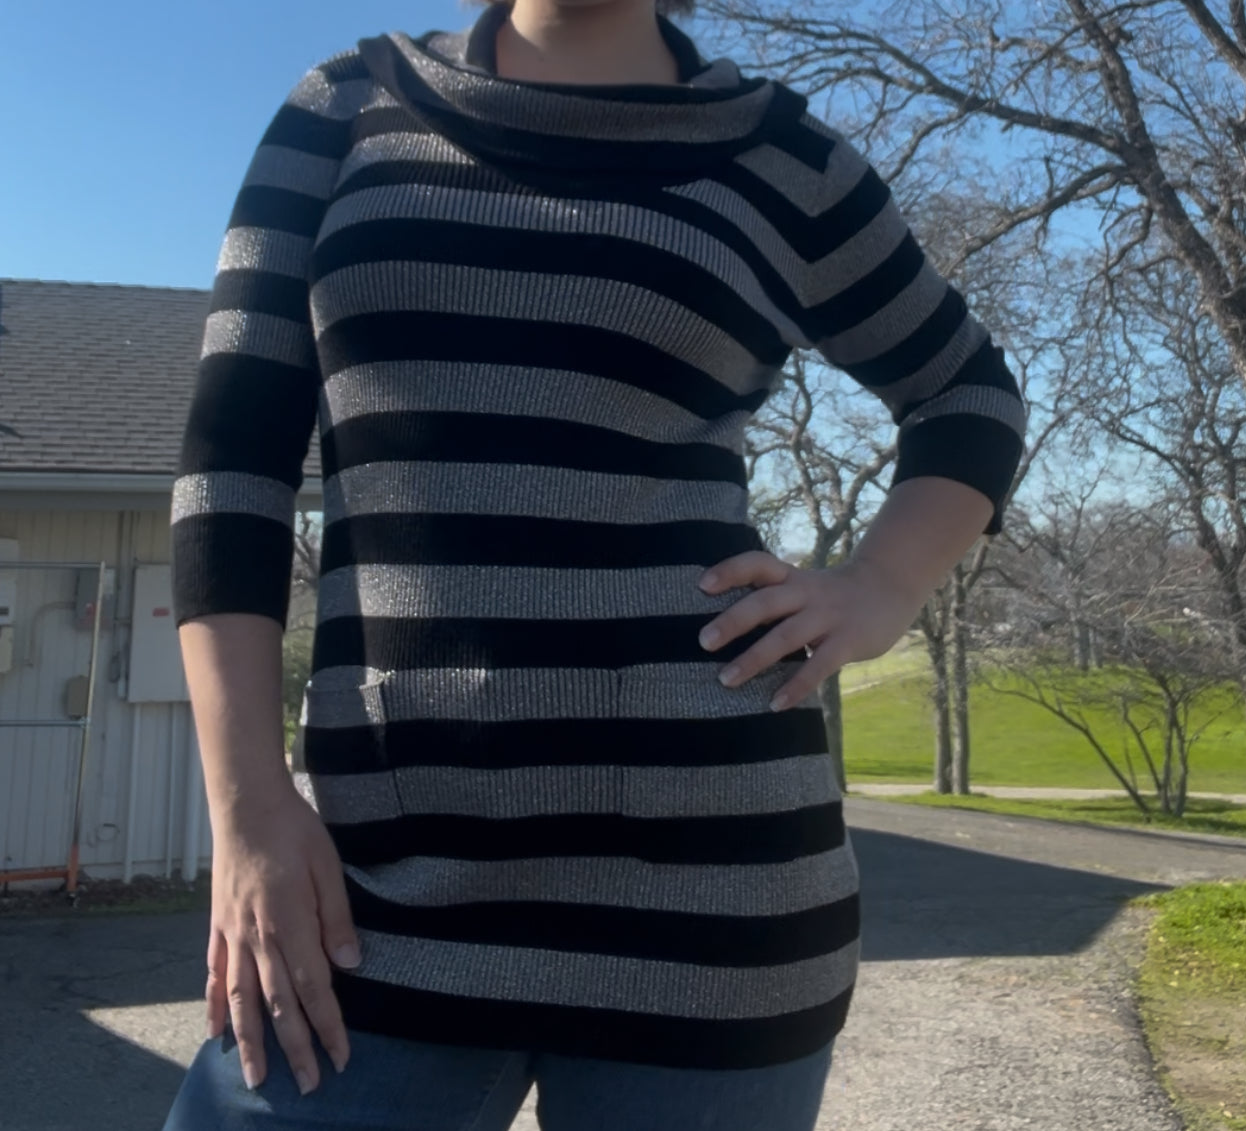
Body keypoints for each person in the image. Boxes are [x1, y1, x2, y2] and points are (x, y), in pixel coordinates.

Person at [163, 0, 1026, 1127]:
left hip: (716, 905)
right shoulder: (344, 109)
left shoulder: (786, 160)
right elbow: (231, 463)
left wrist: (880, 588)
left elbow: (967, 392)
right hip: (369, 887)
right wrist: (246, 808)